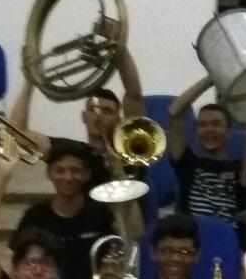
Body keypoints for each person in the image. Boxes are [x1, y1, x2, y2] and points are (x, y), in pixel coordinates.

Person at [15, 138, 141, 279]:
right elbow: (19, 264)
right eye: (60, 170)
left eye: (75, 170)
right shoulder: (35, 216)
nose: (68, 177)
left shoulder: (101, 213)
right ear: (49, 174)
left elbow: (135, 233)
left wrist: (121, 178)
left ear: (87, 174)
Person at [9, 43, 146, 187]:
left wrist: (120, 45)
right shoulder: (73, 151)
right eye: (93, 109)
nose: (99, 115)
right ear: (84, 117)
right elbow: (18, 135)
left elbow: (134, 95)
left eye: (107, 111)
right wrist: (29, 82)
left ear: (119, 119)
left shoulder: (130, 151)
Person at [167, 76, 246, 222]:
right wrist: (212, 77)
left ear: (229, 131)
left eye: (216, 124)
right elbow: (174, 112)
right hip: (192, 233)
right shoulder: (188, 164)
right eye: (203, 125)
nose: (209, 130)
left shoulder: (238, 168)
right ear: (197, 131)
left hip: (227, 232)